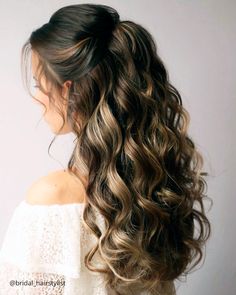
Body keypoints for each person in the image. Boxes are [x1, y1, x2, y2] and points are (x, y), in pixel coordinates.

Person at [0, 3, 212, 295]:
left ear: (68, 89)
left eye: (39, 84)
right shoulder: (151, 185)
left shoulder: (51, 200)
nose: (36, 97)